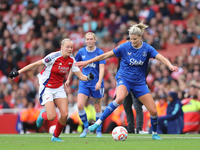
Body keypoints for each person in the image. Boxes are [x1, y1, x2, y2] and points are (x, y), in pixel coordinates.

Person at [75, 21, 179, 140]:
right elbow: (105, 55)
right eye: (131, 39)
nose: (132, 41)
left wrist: (170, 65)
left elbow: (161, 57)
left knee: (153, 111)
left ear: (140, 37)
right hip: (124, 78)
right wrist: (87, 62)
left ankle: (154, 133)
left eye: (135, 39)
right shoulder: (124, 46)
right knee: (119, 98)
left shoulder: (147, 48)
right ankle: (98, 123)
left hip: (139, 82)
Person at [9, 38, 94, 142]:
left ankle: (55, 136)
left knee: (65, 114)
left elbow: (80, 76)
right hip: (47, 87)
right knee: (51, 116)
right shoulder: (53, 57)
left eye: (71, 47)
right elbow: (36, 64)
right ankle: (42, 114)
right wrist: (18, 72)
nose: (70, 49)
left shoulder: (72, 60)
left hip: (59, 88)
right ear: (61, 48)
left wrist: (88, 77)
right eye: (67, 47)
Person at [66, 32, 106, 137]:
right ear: (85, 40)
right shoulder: (81, 52)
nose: (89, 41)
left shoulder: (100, 52)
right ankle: (86, 128)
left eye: (91, 39)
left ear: (95, 40)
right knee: (79, 105)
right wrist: (68, 79)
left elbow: (102, 68)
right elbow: (74, 65)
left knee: (97, 108)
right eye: (87, 39)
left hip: (96, 84)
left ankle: (98, 131)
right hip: (84, 82)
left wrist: (99, 81)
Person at [118, 35, 148, 134]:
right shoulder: (122, 55)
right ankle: (130, 128)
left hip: (136, 84)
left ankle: (139, 129)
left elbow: (146, 70)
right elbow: (119, 70)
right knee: (127, 106)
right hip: (125, 84)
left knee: (137, 106)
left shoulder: (141, 53)